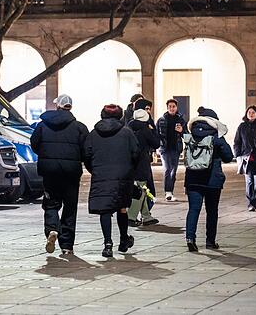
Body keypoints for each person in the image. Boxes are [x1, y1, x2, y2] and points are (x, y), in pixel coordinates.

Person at [30, 94, 88, 255]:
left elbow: (34, 144)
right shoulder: (79, 127)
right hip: (71, 172)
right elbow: (86, 150)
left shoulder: (42, 125)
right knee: (70, 207)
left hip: (49, 172)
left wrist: (46, 155)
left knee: (50, 203)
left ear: (57, 106)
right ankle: (67, 245)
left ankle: (52, 229)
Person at [84, 104, 139, 258]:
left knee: (105, 209)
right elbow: (136, 153)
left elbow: (86, 155)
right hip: (122, 176)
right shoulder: (127, 133)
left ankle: (108, 244)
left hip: (101, 175)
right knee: (122, 208)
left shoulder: (94, 134)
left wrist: (95, 169)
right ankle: (123, 240)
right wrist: (129, 170)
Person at [183, 107, 233, 252]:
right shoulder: (216, 136)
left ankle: (190, 238)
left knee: (193, 209)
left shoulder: (191, 134)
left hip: (192, 178)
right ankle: (210, 241)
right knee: (212, 211)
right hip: (213, 179)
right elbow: (228, 157)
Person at [127, 108, 161, 226]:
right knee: (141, 189)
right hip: (142, 162)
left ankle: (146, 216)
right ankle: (131, 217)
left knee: (142, 188)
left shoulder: (128, 129)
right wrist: (153, 130)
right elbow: (156, 143)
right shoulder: (145, 130)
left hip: (130, 163)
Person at [234, 105, 256, 211]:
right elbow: (237, 142)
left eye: (253, 112)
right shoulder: (242, 126)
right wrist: (238, 155)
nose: (251, 114)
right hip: (246, 157)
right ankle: (250, 203)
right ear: (246, 114)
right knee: (249, 181)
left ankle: (254, 201)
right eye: (249, 112)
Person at [157, 98, 186, 201]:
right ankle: (167, 192)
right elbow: (156, 134)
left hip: (176, 148)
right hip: (164, 149)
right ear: (167, 108)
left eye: (173, 106)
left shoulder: (181, 120)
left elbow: (186, 135)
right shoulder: (161, 120)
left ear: (176, 107)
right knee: (167, 169)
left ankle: (171, 191)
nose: (172, 108)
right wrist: (156, 147)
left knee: (173, 171)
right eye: (170, 106)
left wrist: (182, 131)